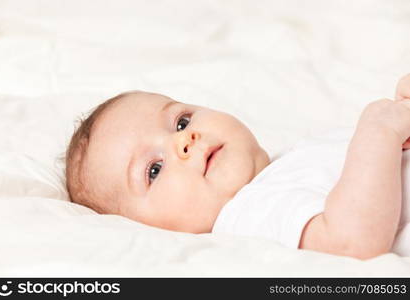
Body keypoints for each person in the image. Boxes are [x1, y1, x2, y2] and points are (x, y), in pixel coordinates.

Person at [65, 74, 410, 260]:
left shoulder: (291, 159)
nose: (184, 141)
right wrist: (379, 133)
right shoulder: (246, 214)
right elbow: (350, 243)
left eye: (181, 122)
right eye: (154, 170)